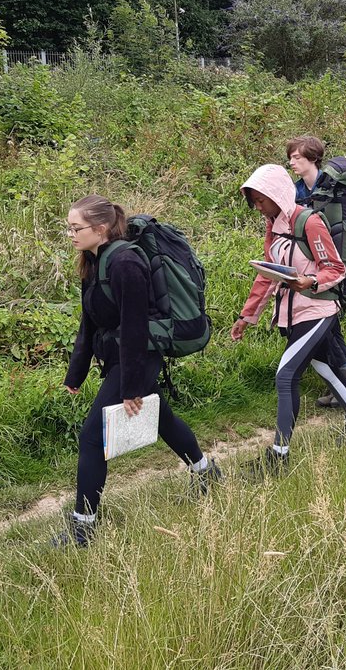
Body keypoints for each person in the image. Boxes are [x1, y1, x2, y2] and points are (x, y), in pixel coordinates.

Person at [55, 195, 218, 548]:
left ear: (100, 229)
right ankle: (206, 472)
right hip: (120, 357)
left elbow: (134, 329)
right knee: (161, 418)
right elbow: (89, 322)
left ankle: (83, 528)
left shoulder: (126, 262)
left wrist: (131, 388)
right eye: (68, 228)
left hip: (138, 357)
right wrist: (75, 375)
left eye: (75, 228)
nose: (70, 234)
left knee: (92, 438)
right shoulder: (92, 261)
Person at [232, 164, 346, 476]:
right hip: (292, 313)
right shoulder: (273, 227)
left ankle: (278, 456)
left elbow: (335, 268)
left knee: (285, 375)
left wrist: (310, 281)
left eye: (261, 200)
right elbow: (267, 275)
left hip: (317, 310)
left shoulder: (309, 221)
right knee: (323, 367)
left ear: (277, 195)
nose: (257, 207)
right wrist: (247, 316)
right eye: (253, 201)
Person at [286, 135, 346, 410]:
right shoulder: (296, 191)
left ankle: (345, 379)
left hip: (332, 265)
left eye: (297, 157)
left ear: (313, 158)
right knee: (330, 326)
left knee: (328, 324)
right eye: (291, 157)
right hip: (308, 268)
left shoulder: (330, 189)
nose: (292, 161)